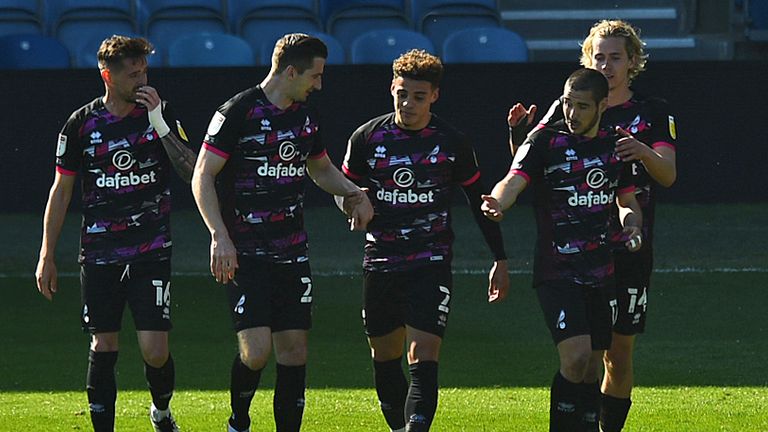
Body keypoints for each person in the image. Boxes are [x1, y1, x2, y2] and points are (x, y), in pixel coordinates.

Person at [191, 33, 373, 432]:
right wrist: (218, 235)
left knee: (294, 350)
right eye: (315, 75)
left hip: (292, 250)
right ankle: (238, 420)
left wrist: (354, 192)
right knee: (256, 353)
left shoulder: (306, 117)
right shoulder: (237, 112)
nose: (319, 84)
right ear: (291, 71)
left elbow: (320, 168)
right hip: (246, 251)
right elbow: (202, 175)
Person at [507, 20, 678, 431]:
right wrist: (517, 137)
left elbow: (668, 174)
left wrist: (641, 152)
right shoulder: (570, 104)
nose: (606, 65)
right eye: (598, 56)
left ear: (633, 61)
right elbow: (532, 161)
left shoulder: (651, 112)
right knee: (580, 356)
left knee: (618, 355)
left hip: (629, 247)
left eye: (615, 57)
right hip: (575, 250)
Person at [338, 49, 509, 432]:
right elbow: (342, 187)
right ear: (391, 89)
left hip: (430, 261)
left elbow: (477, 199)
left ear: (434, 96)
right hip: (380, 261)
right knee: (385, 355)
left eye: (418, 96)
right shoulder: (366, 137)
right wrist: (352, 203)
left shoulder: (452, 142)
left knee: (423, 353)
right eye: (402, 93)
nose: (408, 103)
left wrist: (500, 258)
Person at [35, 35, 196, 432]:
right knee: (103, 345)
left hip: (152, 248)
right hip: (101, 250)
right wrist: (47, 255)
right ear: (107, 75)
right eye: (133, 72)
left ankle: (160, 412)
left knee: (155, 351)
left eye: (145, 70)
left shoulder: (160, 113)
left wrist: (159, 122)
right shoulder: (81, 124)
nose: (142, 79)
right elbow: (62, 190)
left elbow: (192, 171)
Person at [482, 68, 643, 432]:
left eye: (582, 107)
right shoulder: (545, 142)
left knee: (591, 366)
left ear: (602, 106)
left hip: (602, 269)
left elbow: (627, 201)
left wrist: (632, 223)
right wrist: (498, 202)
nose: (572, 114)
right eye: (568, 104)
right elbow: (514, 180)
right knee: (575, 358)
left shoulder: (617, 146)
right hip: (558, 269)